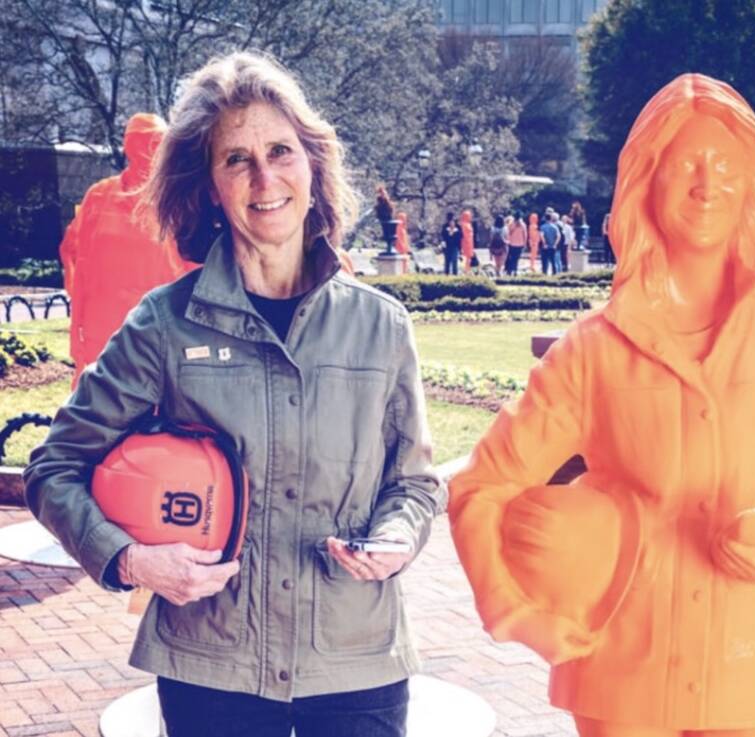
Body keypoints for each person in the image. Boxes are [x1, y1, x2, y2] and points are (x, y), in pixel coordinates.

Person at [24, 51, 445, 737]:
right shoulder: (164, 324)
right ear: (209, 186)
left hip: (356, 661)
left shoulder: (380, 325)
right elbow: (54, 467)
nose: (264, 177)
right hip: (209, 666)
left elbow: (416, 485)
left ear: (312, 165)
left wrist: (398, 535)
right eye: (235, 160)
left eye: (281, 151)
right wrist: (131, 559)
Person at [448, 74, 755, 737]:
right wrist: (514, 607)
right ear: (648, 180)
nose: (708, 184)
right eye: (685, 166)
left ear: (753, 184)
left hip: (754, 668)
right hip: (623, 673)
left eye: (727, 165)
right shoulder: (592, 350)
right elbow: (482, 485)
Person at [59, 113, 197, 388]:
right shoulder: (99, 197)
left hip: (156, 331)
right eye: (147, 143)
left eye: (156, 143)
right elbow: (73, 255)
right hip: (111, 331)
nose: (151, 150)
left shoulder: (176, 199)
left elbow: (195, 264)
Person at [506, 212, 527, 276]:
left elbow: (508, 233)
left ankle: (509, 271)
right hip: (520, 244)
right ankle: (515, 271)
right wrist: (525, 243)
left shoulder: (511, 224)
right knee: (516, 258)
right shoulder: (523, 225)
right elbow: (525, 235)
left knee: (511, 258)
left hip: (512, 243)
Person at [460, 209, 475, 274]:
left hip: (470, 242)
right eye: (469, 216)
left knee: (469, 258)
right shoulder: (463, 224)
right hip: (466, 243)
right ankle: (465, 271)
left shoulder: (468, 224)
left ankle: (468, 270)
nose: (470, 217)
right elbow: (464, 235)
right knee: (466, 258)